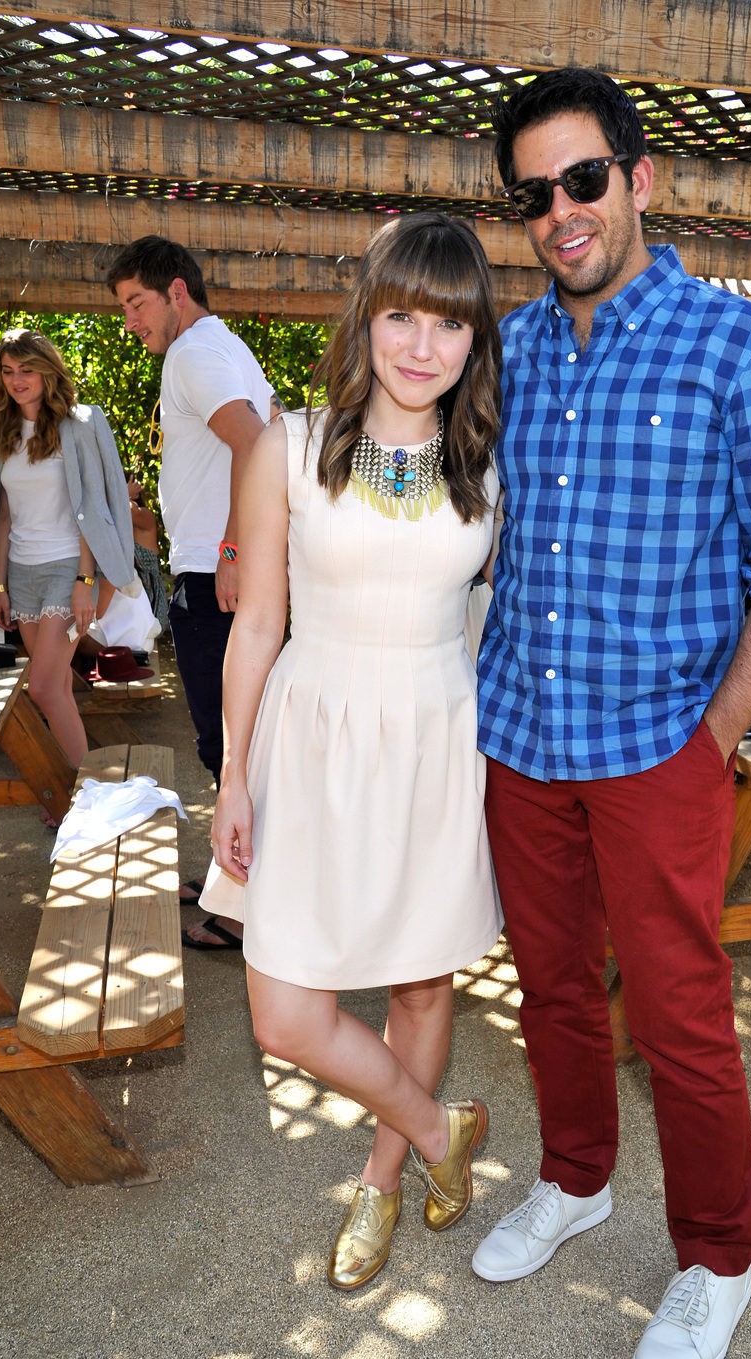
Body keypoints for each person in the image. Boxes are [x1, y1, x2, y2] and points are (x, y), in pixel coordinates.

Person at [474, 69, 751, 1359]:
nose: (561, 214)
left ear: (639, 180)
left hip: (658, 751)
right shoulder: (508, 349)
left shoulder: (741, 347)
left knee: (680, 1013)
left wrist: (715, 733)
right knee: (552, 986)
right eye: (535, 195)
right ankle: (575, 1178)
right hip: (520, 735)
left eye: (583, 180)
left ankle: (718, 1256)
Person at [199, 213, 503, 1290]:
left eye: (450, 325)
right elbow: (254, 624)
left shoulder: (490, 468)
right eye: (402, 316)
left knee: (420, 983)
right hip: (311, 731)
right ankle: (435, 1127)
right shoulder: (283, 445)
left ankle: (381, 1179)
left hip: (432, 734)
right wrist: (232, 773)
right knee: (286, 1014)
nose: (422, 347)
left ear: (476, 342)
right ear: (366, 316)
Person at [106, 235, 280, 946]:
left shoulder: (193, 353)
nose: (130, 321)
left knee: (226, 740)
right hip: (221, 565)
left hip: (219, 572)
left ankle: (243, 905)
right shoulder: (221, 345)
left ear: (177, 290)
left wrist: (235, 548)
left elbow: (253, 443)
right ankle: (225, 874)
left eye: (135, 303)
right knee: (237, 735)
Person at [0, 328, 137, 769]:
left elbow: (93, 505)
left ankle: (79, 792)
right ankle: (78, 789)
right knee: (58, 688)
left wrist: (86, 581)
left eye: (27, 369)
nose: (17, 380)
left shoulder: (81, 424)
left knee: (44, 689)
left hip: (69, 568)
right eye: (8, 371)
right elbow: (3, 515)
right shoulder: (1, 429)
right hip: (22, 572)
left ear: (47, 370)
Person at [126, 473, 169, 634]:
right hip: (129, 597)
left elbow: (128, 512)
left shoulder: (144, 514)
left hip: (147, 595)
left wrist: (123, 494)